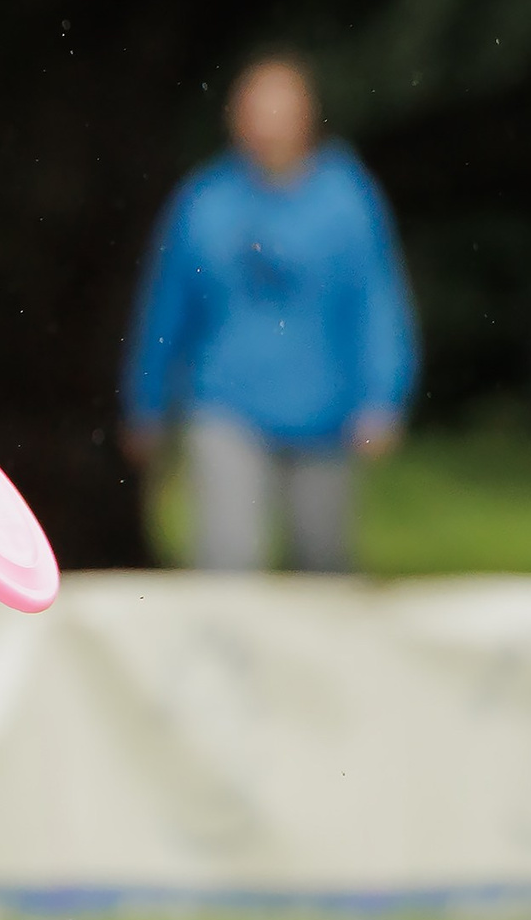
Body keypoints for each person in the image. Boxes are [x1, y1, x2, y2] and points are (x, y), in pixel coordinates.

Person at [121, 56, 419, 573]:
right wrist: (146, 402)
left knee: (322, 562)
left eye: (280, 110)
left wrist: (383, 395)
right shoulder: (204, 201)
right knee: (228, 554)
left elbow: (377, 302)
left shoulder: (346, 197)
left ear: (307, 117)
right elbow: (167, 308)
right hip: (226, 405)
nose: (266, 125)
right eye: (255, 111)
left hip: (325, 412)